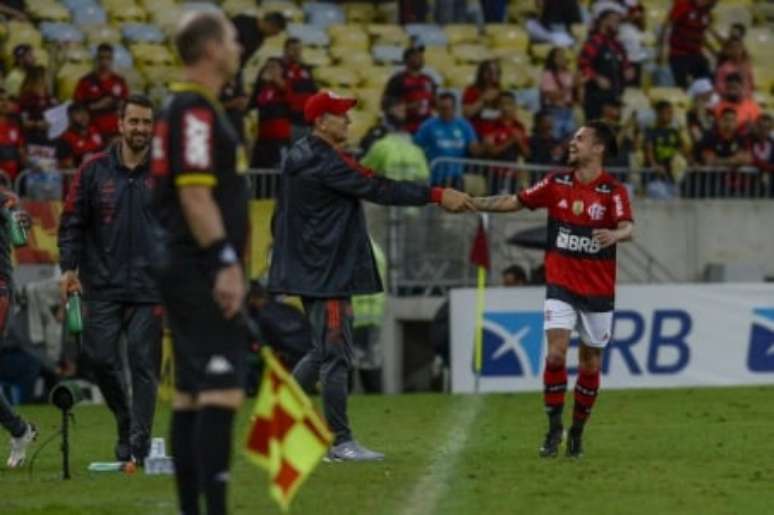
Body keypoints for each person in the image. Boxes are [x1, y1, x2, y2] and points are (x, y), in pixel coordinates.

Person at [268, 89, 473, 461]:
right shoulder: (326, 161)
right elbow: (379, 186)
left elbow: (278, 217)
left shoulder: (299, 158)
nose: (348, 121)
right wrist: (437, 194)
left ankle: (277, 425)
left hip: (315, 268)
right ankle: (339, 441)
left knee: (320, 353)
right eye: (341, 115)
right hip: (327, 272)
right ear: (320, 122)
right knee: (335, 356)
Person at [470, 121, 634, 459]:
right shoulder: (556, 183)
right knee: (556, 354)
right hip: (561, 284)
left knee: (589, 365)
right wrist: (475, 203)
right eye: (573, 137)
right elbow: (514, 201)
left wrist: (615, 236)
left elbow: (627, 227)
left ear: (599, 148)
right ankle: (553, 428)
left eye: (580, 139)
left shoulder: (612, 191)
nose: (572, 143)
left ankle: (577, 432)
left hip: (598, 290)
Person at [150, 11, 248, 515]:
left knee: (191, 396)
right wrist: (225, 261)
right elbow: (195, 197)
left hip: (183, 266)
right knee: (221, 391)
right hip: (198, 268)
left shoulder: (189, 108)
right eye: (231, 38)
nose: (237, 46)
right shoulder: (193, 111)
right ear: (210, 48)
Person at [58, 95, 160, 465]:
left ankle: (139, 444)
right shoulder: (92, 170)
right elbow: (72, 221)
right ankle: (125, 420)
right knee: (100, 359)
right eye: (134, 122)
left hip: (152, 288)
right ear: (119, 124)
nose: (140, 129)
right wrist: (68, 268)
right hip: (101, 284)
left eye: (146, 122)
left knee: (144, 365)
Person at [0, 188, 37, 468]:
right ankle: (19, 429)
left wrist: (20, 218)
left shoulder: (4, 197)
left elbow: (21, 221)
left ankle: (19, 430)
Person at [578, 3, 634, 121]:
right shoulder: (595, 41)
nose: (618, 25)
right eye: (615, 21)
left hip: (614, 97)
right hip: (596, 99)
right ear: (604, 21)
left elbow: (626, 63)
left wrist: (628, 69)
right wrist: (596, 77)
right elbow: (583, 64)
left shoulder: (617, 45)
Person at [414, 92, 482, 187]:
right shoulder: (428, 126)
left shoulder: (464, 125)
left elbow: (474, 148)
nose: (444, 111)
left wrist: (479, 147)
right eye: (441, 108)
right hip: (434, 177)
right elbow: (416, 147)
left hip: (456, 177)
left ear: (454, 108)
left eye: (447, 108)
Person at [361, 98, 430, 183]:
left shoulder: (411, 141)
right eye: (399, 108)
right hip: (384, 183)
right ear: (388, 111)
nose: (402, 111)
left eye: (403, 109)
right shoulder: (378, 134)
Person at [73, 43, 129, 143]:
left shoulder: (119, 81)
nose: (104, 61)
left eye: (108, 58)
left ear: (112, 60)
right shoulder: (85, 81)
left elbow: (127, 106)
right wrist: (97, 106)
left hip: (116, 131)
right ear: (96, 59)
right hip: (92, 130)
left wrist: (121, 108)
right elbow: (77, 110)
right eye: (101, 58)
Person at [659, 0, 718, 88]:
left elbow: (701, 36)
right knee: (681, 87)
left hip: (696, 54)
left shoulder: (706, 13)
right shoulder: (683, 4)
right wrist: (662, 50)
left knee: (708, 82)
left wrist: (715, 53)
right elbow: (668, 26)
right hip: (678, 54)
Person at [383, 45, 437, 134]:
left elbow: (434, 102)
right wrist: (410, 107)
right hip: (406, 128)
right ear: (406, 60)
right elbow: (387, 106)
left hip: (426, 128)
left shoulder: (428, 80)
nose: (420, 57)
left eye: (421, 55)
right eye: (415, 55)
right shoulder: (398, 80)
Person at [248, 57, 291, 169]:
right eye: (267, 67)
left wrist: (275, 79)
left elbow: (289, 97)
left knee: (279, 172)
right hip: (262, 139)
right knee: (258, 170)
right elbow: (252, 105)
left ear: (282, 70)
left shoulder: (287, 85)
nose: (270, 70)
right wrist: (261, 83)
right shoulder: (263, 86)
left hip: (279, 139)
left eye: (274, 67)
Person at [644, 100, 691, 198]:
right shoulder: (651, 131)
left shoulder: (675, 131)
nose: (669, 116)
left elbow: (684, 150)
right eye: (667, 112)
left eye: (671, 113)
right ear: (658, 113)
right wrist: (654, 166)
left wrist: (683, 130)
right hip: (656, 178)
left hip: (672, 178)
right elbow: (649, 151)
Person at [282, 37, 318, 141]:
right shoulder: (281, 68)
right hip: (289, 121)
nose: (297, 53)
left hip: (306, 122)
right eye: (293, 49)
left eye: (299, 50)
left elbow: (313, 92)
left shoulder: (305, 69)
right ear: (285, 50)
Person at [539, 47, 579, 139]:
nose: (562, 59)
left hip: (568, 111)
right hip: (554, 112)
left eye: (563, 56)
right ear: (553, 59)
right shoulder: (548, 75)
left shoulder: (568, 74)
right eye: (559, 56)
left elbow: (576, 98)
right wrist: (571, 86)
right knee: (555, 140)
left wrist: (579, 86)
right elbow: (552, 97)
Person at [484, 91, 530, 163]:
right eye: (502, 104)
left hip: (512, 172)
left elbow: (527, 154)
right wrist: (511, 140)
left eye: (509, 104)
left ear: (514, 106)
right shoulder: (491, 125)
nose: (506, 107)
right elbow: (491, 152)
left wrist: (519, 141)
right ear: (498, 106)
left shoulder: (519, 126)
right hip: (494, 171)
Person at [462, 60, 503, 140]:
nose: (493, 76)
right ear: (482, 73)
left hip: (495, 135)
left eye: (496, 72)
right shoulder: (471, 90)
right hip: (475, 134)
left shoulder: (500, 92)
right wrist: (483, 99)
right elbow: (467, 113)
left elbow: (503, 115)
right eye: (490, 72)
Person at [56, 103, 104, 169]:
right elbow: (64, 164)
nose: (83, 116)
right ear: (70, 117)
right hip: (78, 172)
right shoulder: (66, 137)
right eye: (78, 113)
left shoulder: (97, 130)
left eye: (85, 112)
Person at [17, 65, 56, 145]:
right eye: (46, 76)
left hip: (50, 136)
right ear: (38, 79)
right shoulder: (27, 98)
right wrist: (38, 124)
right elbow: (24, 122)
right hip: (32, 138)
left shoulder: (50, 98)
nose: (48, 79)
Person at [0, 87, 27, 185]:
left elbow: (21, 152)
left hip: (13, 180)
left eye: (7, 100)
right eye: (1, 100)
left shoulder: (15, 127)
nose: (4, 103)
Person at [686, 78, 716, 158]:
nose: (711, 93)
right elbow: (696, 136)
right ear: (700, 93)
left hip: (713, 149)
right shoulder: (691, 115)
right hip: (700, 150)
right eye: (708, 91)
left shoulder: (711, 112)